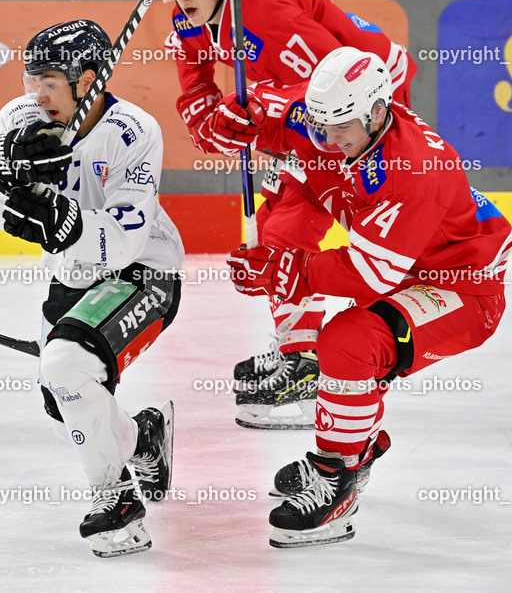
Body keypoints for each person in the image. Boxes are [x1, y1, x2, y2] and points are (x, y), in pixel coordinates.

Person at [217, 47, 510, 546]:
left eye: (340, 129)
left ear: (378, 112)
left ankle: (338, 476)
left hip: (462, 285)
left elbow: (369, 274)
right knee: (290, 197)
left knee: (348, 342)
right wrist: (232, 120)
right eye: (320, 124)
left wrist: (288, 271)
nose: (328, 139)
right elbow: (266, 106)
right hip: (406, 262)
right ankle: (354, 440)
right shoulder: (341, 115)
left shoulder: (414, 171)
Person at [158, 0, 418, 430]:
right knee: (278, 229)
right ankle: (302, 356)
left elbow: (337, 84)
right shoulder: (190, 16)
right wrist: (210, 122)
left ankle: (330, 356)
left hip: (366, 108)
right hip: (304, 111)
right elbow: (195, 85)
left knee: (296, 227)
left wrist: (254, 111)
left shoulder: (264, 16)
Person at [0, 20, 184, 557]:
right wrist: (9, 183)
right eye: (31, 80)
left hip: (142, 272)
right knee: (61, 397)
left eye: (50, 81)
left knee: (66, 364)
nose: (37, 94)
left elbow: (123, 238)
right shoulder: (18, 121)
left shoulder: (133, 131)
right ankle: (144, 437)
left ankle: (117, 502)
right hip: (72, 279)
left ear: (88, 79)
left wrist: (52, 210)